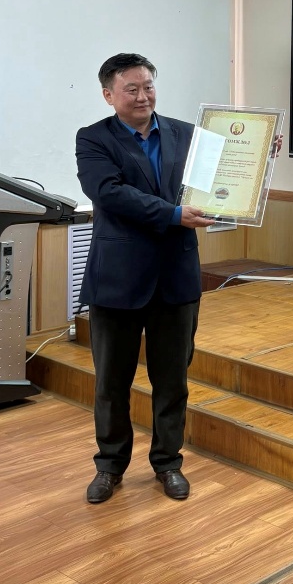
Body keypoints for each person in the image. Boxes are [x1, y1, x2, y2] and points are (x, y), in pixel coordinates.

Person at [76, 53, 215, 504]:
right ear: (109, 95)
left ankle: (168, 463)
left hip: (176, 278)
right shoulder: (93, 139)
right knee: (111, 384)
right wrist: (173, 214)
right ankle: (109, 466)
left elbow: (221, 175)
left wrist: (256, 157)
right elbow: (109, 193)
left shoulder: (187, 133)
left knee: (172, 382)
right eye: (131, 89)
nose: (143, 96)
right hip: (117, 280)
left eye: (148, 86)